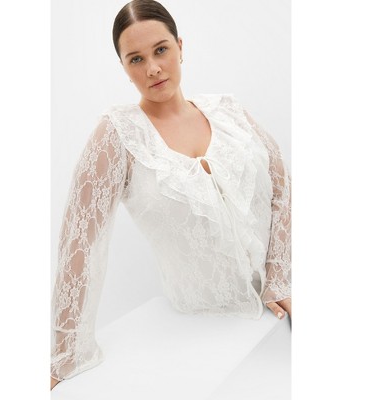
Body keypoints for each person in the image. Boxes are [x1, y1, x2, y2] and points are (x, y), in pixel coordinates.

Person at [50, 0, 291, 391]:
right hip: (197, 335)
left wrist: (280, 278)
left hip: (279, 312)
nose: (153, 68)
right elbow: (79, 243)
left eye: (160, 50)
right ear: (124, 68)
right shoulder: (118, 136)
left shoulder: (229, 111)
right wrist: (66, 355)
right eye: (136, 59)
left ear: (180, 46)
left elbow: (282, 187)